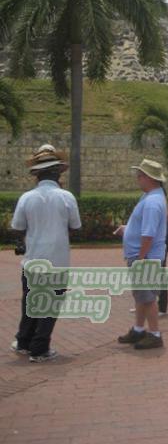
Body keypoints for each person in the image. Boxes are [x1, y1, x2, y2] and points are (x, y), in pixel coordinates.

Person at [10, 144, 82, 363]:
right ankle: (40, 349)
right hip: (57, 260)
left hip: (32, 260)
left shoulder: (26, 198)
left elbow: (18, 226)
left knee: (30, 302)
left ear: (37, 175)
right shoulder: (67, 197)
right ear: (58, 173)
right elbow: (75, 226)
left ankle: (23, 342)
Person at [114, 158, 167, 350]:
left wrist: (141, 258)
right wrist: (128, 230)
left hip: (145, 257)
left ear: (149, 178)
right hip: (142, 255)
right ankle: (138, 329)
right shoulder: (150, 197)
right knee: (140, 295)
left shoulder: (152, 202)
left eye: (140, 175)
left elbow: (148, 234)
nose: (138, 179)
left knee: (148, 297)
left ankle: (154, 333)